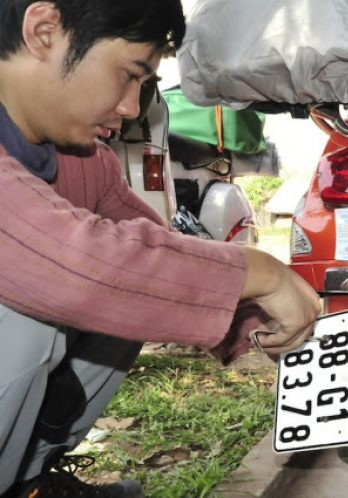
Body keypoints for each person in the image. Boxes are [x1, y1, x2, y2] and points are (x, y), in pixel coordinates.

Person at [0, 2, 321, 497]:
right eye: (129, 74)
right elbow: (75, 267)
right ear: (44, 32)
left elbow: (161, 255)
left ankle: (26, 482)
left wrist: (264, 324)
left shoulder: (82, 161)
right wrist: (260, 272)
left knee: (145, 288)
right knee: (40, 305)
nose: (132, 107)